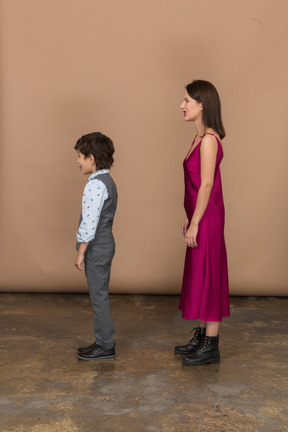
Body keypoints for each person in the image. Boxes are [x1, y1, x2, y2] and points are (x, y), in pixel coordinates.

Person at [174, 80, 230, 366]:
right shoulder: (197, 138)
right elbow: (196, 185)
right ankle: (203, 334)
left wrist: (196, 222)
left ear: (202, 104)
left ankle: (211, 343)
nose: (182, 106)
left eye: (187, 101)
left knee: (209, 272)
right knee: (199, 272)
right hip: (199, 214)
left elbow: (207, 184)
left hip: (208, 218)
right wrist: (188, 215)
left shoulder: (209, 140)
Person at [74, 132, 118, 361]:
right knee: (99, 295)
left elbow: (89, 222)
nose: (78, 162)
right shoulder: (108, 181)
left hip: (97, 247)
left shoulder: (94, 186)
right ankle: (102, 341)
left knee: (98, 297)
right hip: (106, 243)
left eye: (80, 156)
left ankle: (105, 345)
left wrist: (81, 251)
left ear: (92, 158)